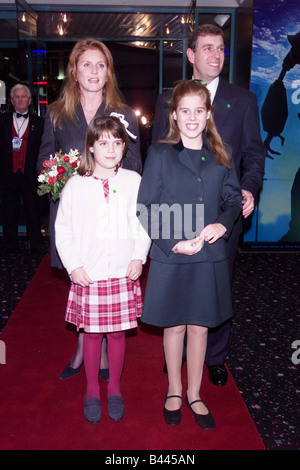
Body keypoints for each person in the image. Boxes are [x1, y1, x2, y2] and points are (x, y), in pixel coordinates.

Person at [151, 24, 265, 386]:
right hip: (177, 216)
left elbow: (253, 154)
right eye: (207, 48)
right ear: (191, 55)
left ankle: (215, 357)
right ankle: (179, 357)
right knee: (179, 285)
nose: (216, 55)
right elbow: (159, 154)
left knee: (218, 286)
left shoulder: (243, 99)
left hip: (223, 216)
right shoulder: (168, 98)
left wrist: (247, 190)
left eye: (220, 48)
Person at [137, 80, 242, 428]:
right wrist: (171, 242)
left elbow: (231, 199)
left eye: (199, 110)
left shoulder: (221, 152)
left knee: (200, 327)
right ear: (175, 115)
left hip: (209, 255)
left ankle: (195, 393)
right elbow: (146, 207)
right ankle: (174, 390)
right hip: (173, 253)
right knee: (175, 325)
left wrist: (222, 225)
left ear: (208, 114)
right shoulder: (160, 153)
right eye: (186, 111)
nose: (193, 117)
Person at [37, 38, 142, 380]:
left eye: (100, 65)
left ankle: (104, 353)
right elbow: (43, 162)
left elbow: (136, 166)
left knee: (109, 285)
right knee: (82, 281)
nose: (93, 71)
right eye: (86, 65)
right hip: (76, 220)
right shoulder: (56, 112)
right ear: (74, 71)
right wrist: (64, 177)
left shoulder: (124, 114)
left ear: (108, 72)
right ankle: (83, 348)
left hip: (112, 218)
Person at [55, 115, 150, 423]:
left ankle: (115, 389)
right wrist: (74, 266)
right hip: (90, 275)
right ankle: (93, 389)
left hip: (123, 272)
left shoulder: (134, 181)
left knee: (119, 336)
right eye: (104, 142)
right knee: (93, 337)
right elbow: (63, 230)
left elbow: (144, 224)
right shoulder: (75, 184)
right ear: (91, 147)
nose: (111, 149)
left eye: (118, 142)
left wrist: (139, 256)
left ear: (125, 146)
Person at [0, 84, 44, 254]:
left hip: (31, 174)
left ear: (30, 101)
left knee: (33, 210)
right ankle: (9, 245)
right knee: (8, 211)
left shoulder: (39, 123)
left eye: (23, 97)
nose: (20, 99)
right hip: (8, 174)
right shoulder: (2, 121)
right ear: (11, 101)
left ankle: (36, 244)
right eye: (16, 97)